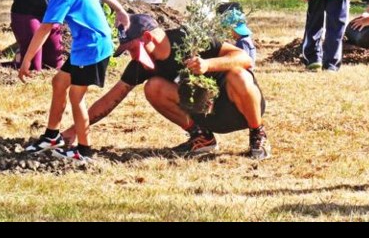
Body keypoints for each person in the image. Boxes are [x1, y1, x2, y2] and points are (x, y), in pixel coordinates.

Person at [60, 14, 270, 160]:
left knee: (239, 75)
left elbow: (244, 58)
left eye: (132, 49)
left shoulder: (189, 38)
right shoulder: (143, 65)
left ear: (147, 38)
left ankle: (257, 134)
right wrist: (73, 131)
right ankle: (201, 137)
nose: (132, 55)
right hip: (208, 115)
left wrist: (207, 65)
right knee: (153, 87)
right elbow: (111, 98)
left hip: (238, 106)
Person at [20, 0, 130, 164]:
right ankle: (52, 136)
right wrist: (119, 9)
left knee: (76, 96)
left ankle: (84, 150)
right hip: (91, 45)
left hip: (91, 49)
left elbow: (45, 29)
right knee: (59, 82)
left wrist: (27, 59)